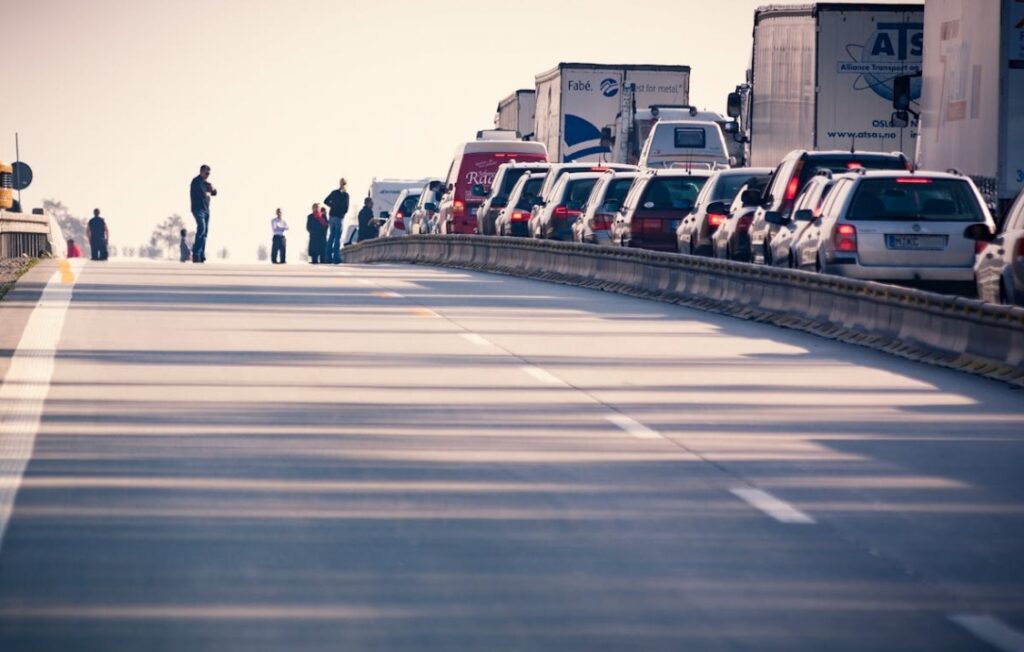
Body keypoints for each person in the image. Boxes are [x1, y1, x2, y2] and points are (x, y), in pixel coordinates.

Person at [189, 164, 217, 263]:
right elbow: (203, 194)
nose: (207, 175)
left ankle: (201, 255)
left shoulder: (206, 184)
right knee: (201, 228)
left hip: (206, 210)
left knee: (204, 233)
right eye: (206, 173)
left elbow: (214, 193)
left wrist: (211, 188)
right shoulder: (196, 182)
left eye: (209, 173)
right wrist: (209, 190)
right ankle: (196, 253)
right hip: (197, 209)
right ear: (201, 171)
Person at [323, 178, 350, 264]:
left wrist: (332, 206)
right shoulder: (345, 195)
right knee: (337, 237)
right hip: (339, 217)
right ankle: (336, 258)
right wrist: (341, 211)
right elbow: (346, 208)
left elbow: (325, 201)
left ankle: (327, 258)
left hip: (332, 216)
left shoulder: (334, 192)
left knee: (331, 236)